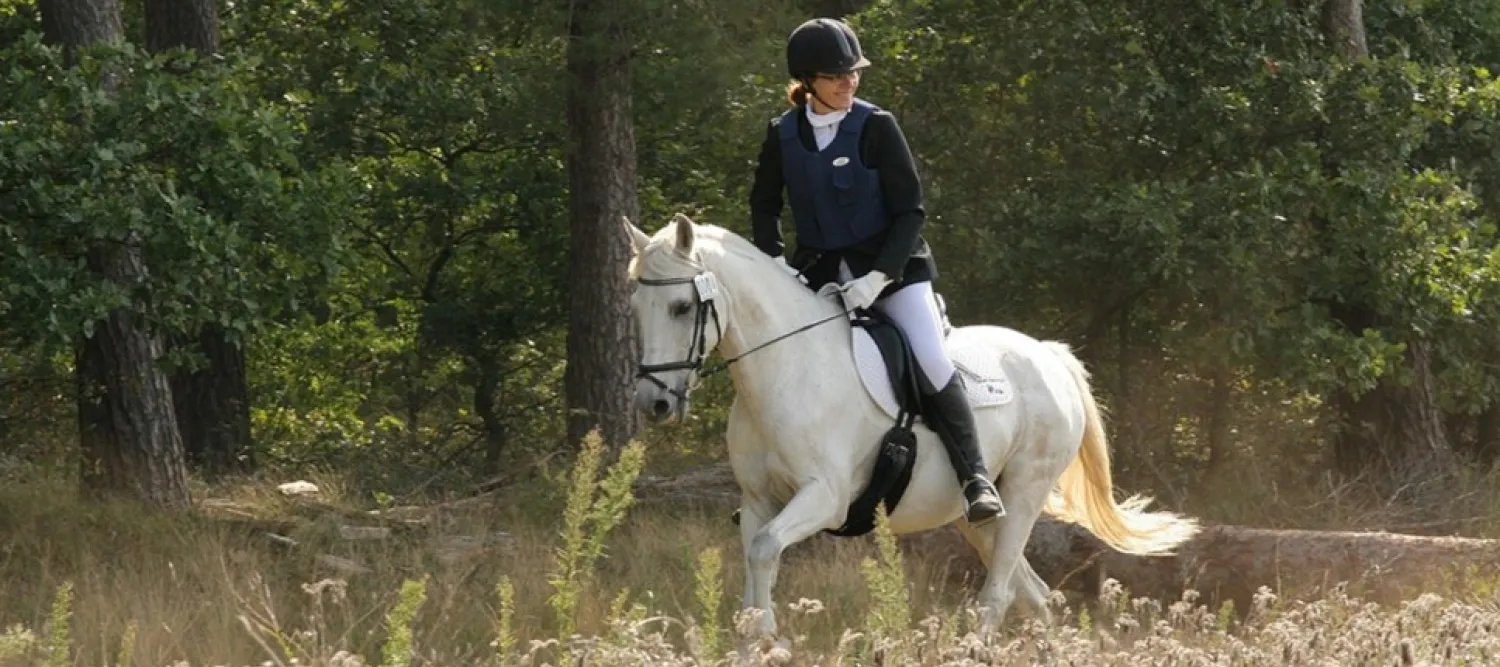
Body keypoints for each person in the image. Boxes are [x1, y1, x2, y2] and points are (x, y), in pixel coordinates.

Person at [747, 17, 1005, 524]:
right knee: (775, 362)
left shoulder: (876, 126)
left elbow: (911, 210)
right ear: (807, 81)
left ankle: (975, 477)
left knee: (930, 357)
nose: (850, 81)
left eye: (854, 73)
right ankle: (773, 479)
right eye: (837, 75)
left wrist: (878, 277)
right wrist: (775, 262)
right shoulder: (782, 135)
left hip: (893, 274)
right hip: (819, 274)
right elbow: (763, 204)